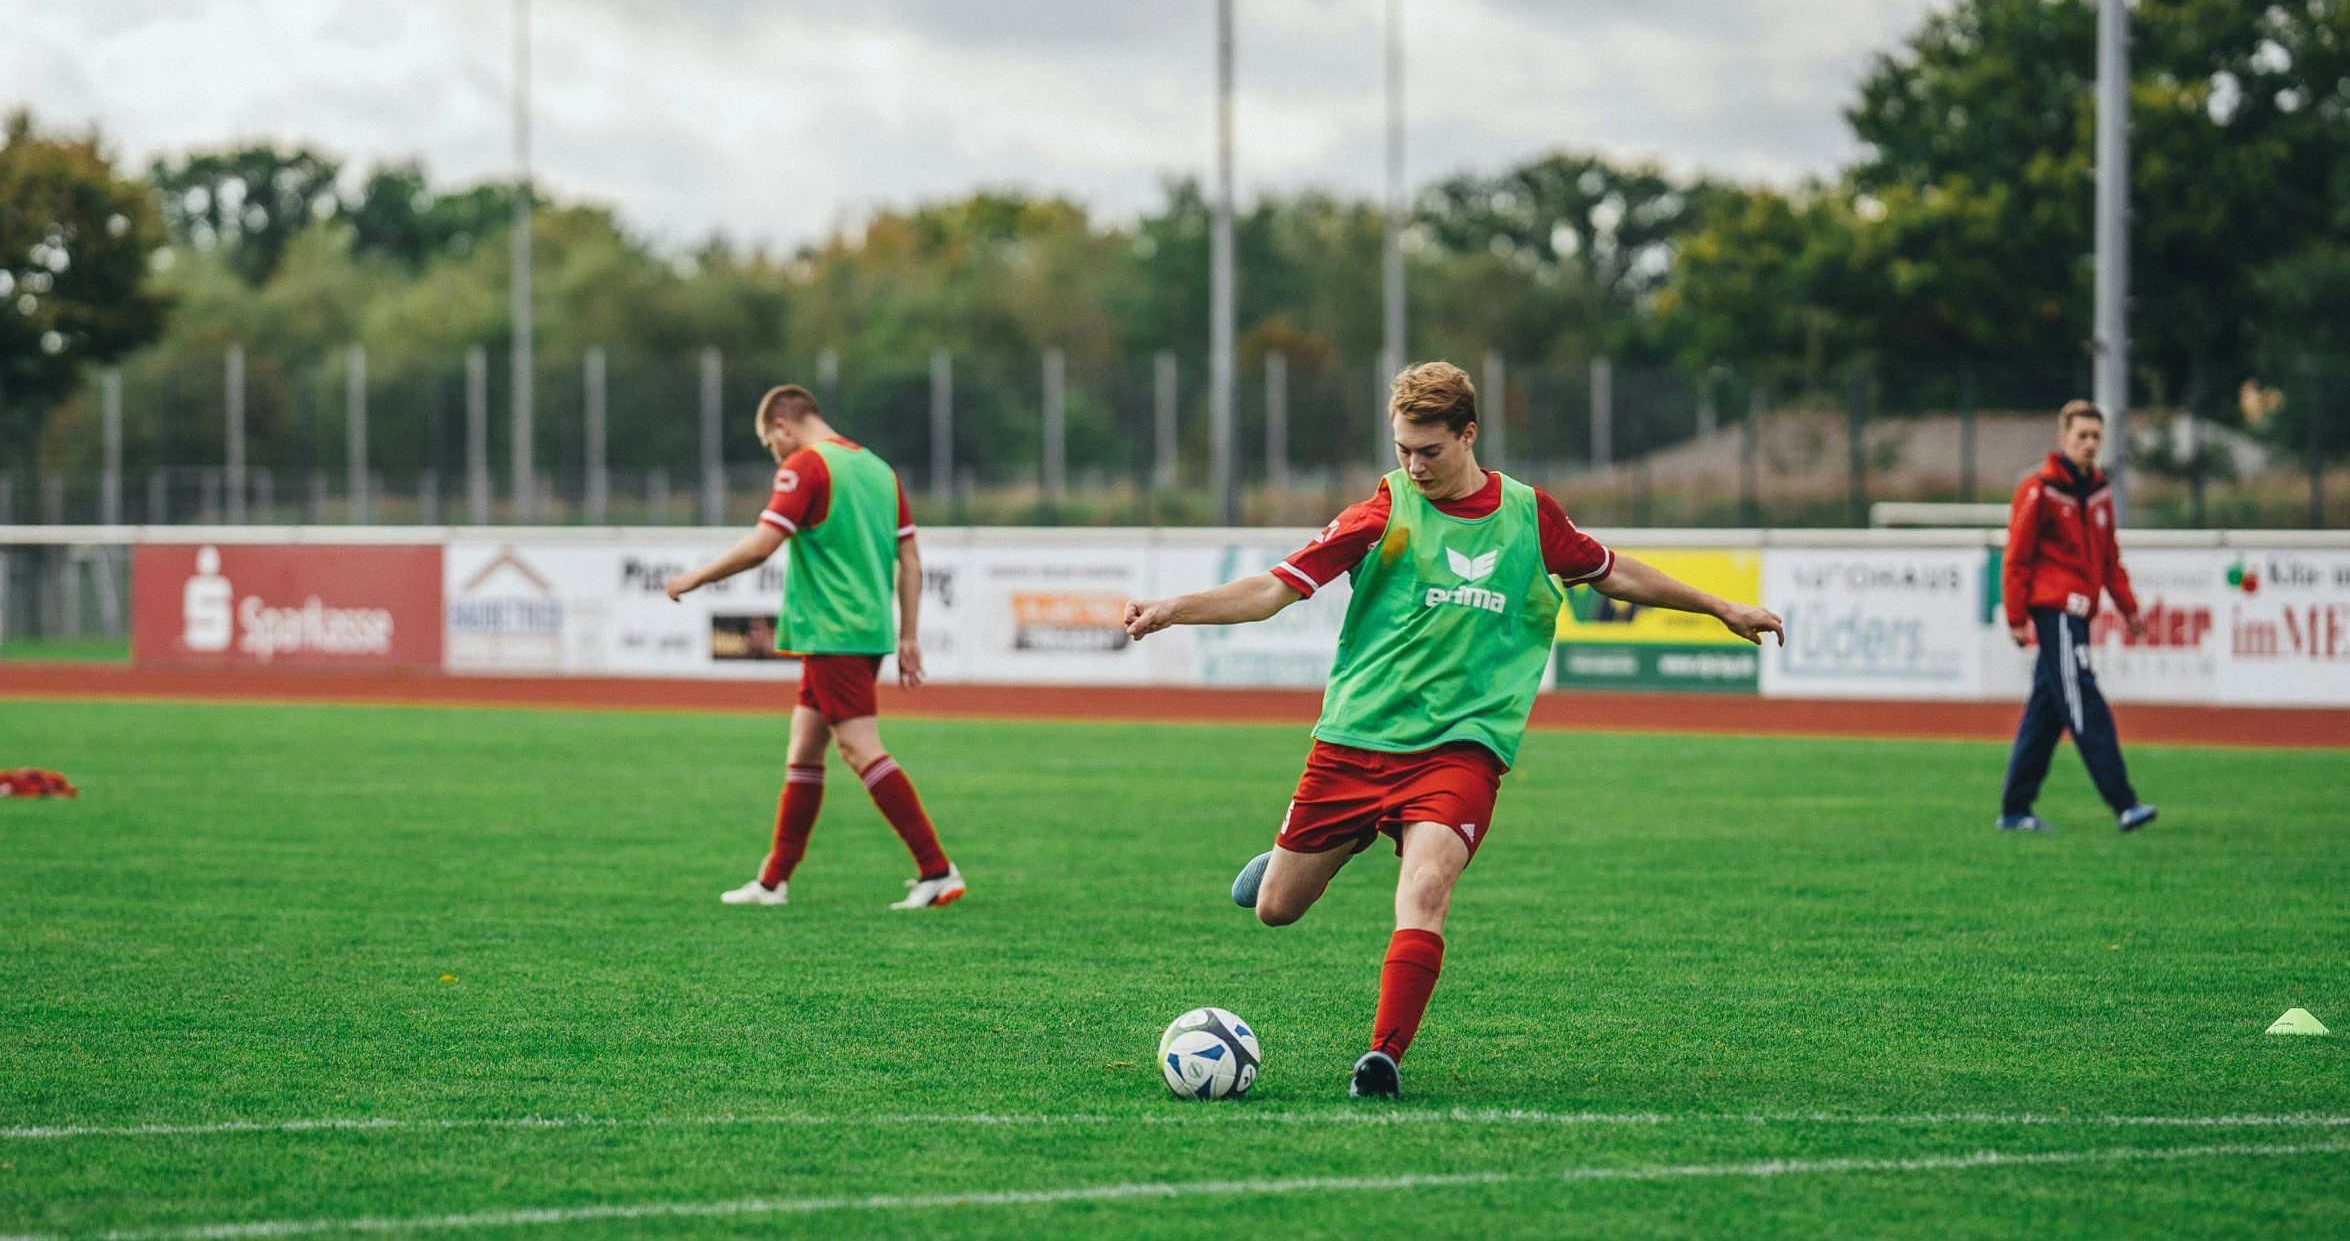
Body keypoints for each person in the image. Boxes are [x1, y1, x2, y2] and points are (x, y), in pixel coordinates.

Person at [1122, 362, 1782, 1098]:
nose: (1413, 464)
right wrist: (1175, 607)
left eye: (1429, 450)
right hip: (1355, 741)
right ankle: (1337, 839)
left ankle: (1383, 1056)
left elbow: (1612, 572)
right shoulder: (1382, 511)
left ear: (1468, 436)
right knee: (1277, 908)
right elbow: (1275, 587)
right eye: (1403, 447)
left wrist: (1722, 606)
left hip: (1461, 749)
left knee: (1427, 885)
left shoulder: (1531, 517)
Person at [665, 384, 965, 909]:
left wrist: (697, 577)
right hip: (862, 631)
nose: (773, 455)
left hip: (832, 631)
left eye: (768, 444)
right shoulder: (878, 469)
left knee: (858, 747)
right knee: (804, 749)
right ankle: (772, 881)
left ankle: (936, 868)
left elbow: (762, 544)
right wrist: (908, 635)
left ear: (784, 424)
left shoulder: (807, 466)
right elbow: (911, 559)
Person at [1996, 400, 2158, 835]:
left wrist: (2129, 608)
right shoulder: (2040, 488)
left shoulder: (2100, 492)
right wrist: (2016, 616)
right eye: (2081, 435)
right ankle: (2124, 803)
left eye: (2095, 436)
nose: (2089, 444)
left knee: (2046, 712)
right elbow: (2016, 557)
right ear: (2062, 438)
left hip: (2080, 615)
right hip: (2056, 613)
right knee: (2083, 700)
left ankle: (2014, 810)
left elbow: (2109, 560)